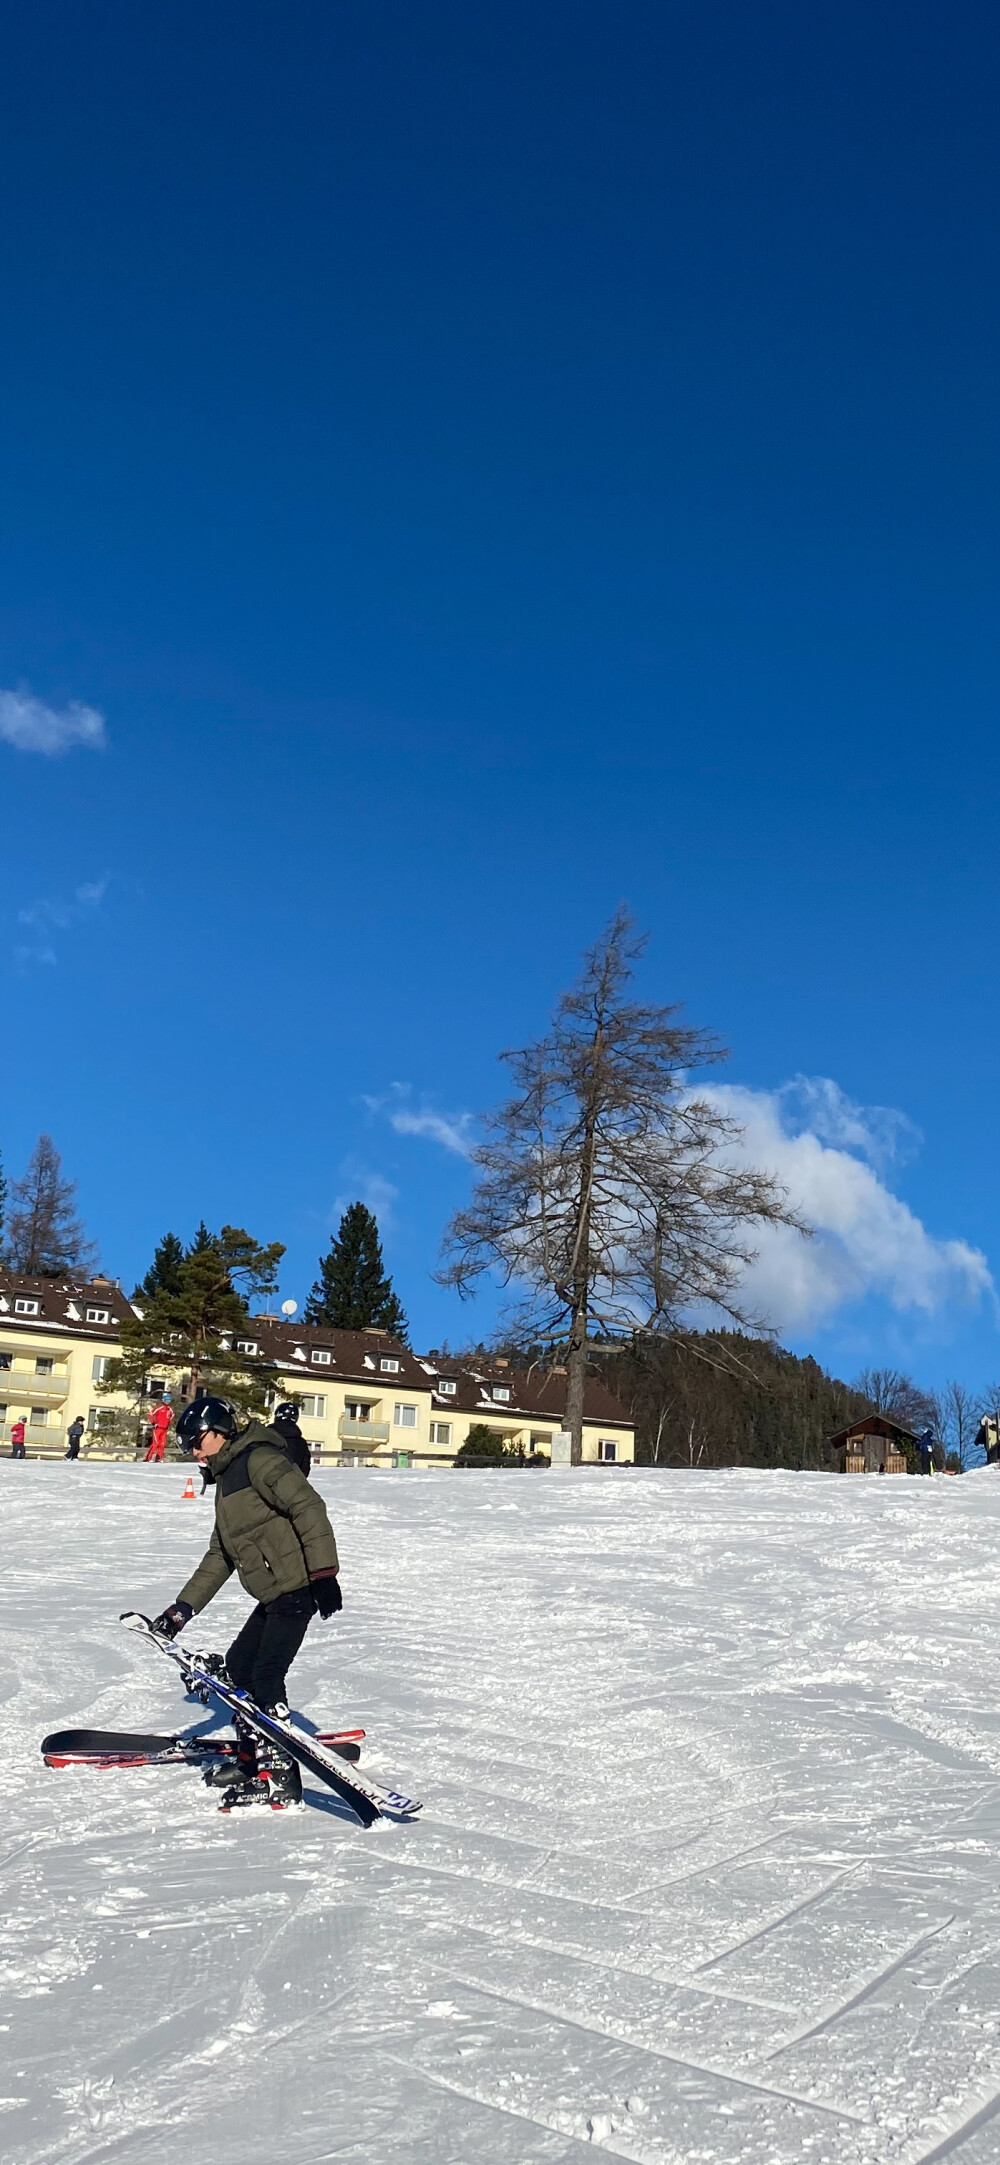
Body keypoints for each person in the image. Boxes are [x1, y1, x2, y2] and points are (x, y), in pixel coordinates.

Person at [150, 1395, 342, 1808]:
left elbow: (309, 1506)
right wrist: (181, 1610)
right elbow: (221, 1554)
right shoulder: (226, 1482)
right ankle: (253, 1759)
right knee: (237, 1673)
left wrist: (325, 1574)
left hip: (298, 1588)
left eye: (196, 1441)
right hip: (273, 1594)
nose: (193, 1451)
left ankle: (282, 1780)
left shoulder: (259, 1460)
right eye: (187, 1444)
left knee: (267, 1677)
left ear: (220, 1431)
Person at [271, 1400, 312, 1476]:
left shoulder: (265, 1435)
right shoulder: (301, 1443)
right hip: (291, 1484)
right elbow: (304, 1469)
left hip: (262, 1483)